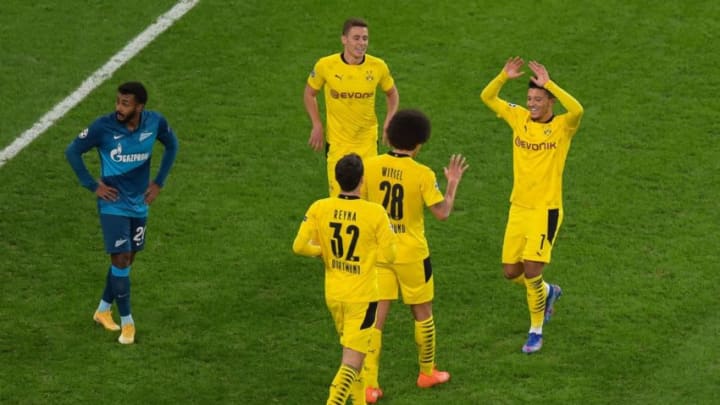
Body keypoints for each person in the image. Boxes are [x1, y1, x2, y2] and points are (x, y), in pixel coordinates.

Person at [361, 109, 469, 402]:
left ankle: (369, 385)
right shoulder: (422, 174)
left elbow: (361, 205)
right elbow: (443, 212)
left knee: (375, 318)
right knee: (422, 313)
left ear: (389, 135)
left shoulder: (369, 166)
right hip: (412, 255)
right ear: (420, 143)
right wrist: (453, 182)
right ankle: (426, 372)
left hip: (380, 251)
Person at [480, 57, 584, 353]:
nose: (532, 103)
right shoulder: (518, 118)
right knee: (512, 272)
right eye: (529, 98)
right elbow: (487, 97)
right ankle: (549, 292)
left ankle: (535, 331)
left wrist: (549, 82)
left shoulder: (563, 127)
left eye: (538, 99)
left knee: (533, 269)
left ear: (550, 100)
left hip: (545, 210)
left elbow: (578, 109)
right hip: (519, 207)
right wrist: (503, 76)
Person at [65, 81, 179, 345]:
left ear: (139, 107)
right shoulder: (103, 127)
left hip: (139, 203)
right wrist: (93, 185)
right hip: (113, 204)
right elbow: (72, 151)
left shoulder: (155, 123)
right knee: (121, 258)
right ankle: (128, 324)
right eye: (117, 101)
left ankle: (103, 309)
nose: (118, 107)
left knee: (128, 260)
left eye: (125, 104)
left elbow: (172, 145)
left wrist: (159, 182)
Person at [293, 153, 397, 405]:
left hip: (334, 294)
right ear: (362, 180)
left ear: (338, 180)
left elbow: (299, 246)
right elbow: (390, 255)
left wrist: (323, 252)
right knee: (351, 363)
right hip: (362, 298)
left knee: (355, 357)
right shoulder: (375, 213)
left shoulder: (320, 207)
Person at [304, 17, 400, 197]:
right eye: (356, 38)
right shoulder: (326, 65)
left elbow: (392, 94)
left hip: (367, 145)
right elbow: (309, 93)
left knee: (366, 199)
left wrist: (389, 121)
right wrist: (316, 124)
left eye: (365, 38)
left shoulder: (377, 66)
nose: (361, 43)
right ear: (344, 39)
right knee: (339, 198)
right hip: (338, 145)